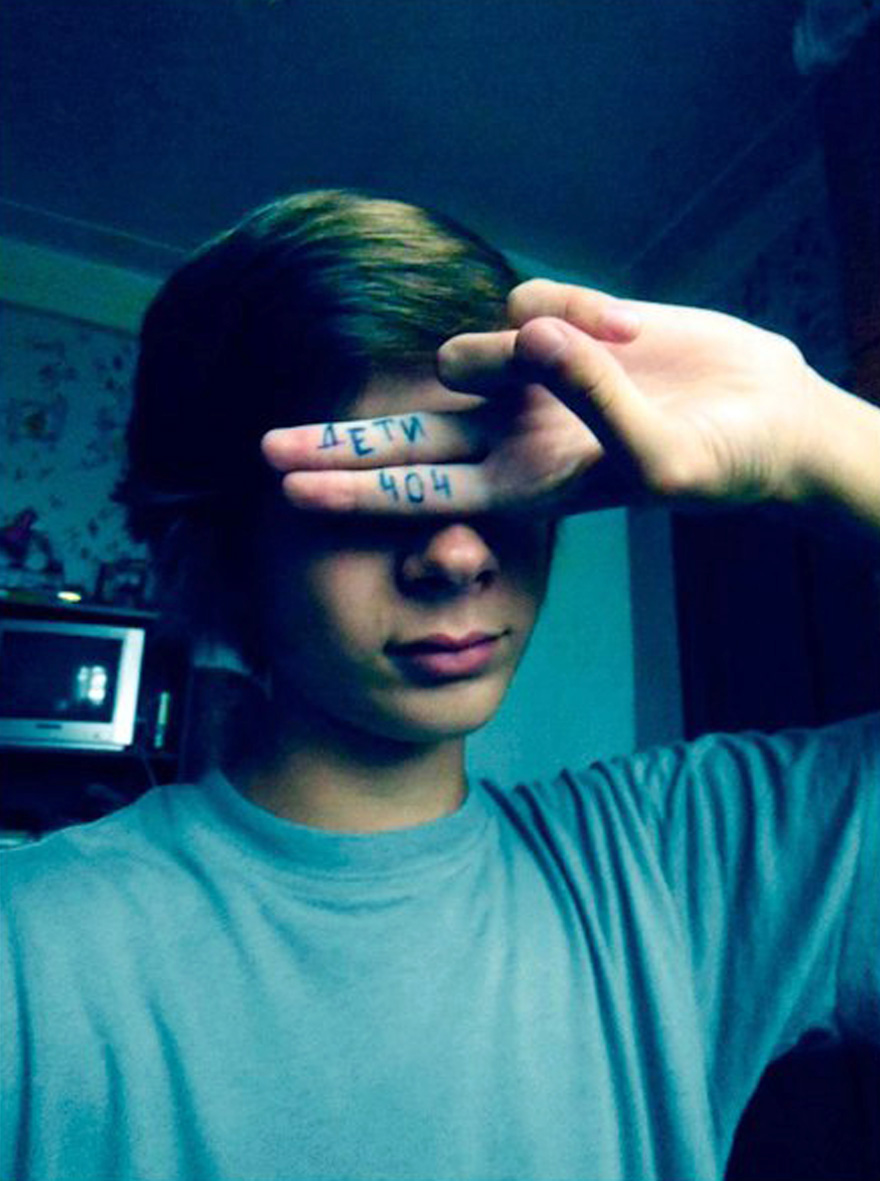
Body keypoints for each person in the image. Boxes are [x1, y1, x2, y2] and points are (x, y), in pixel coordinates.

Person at [1, 189, 878, 1181]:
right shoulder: (27, 949)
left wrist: (815, 433)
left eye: (488, 471)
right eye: (381, 492)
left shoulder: (689, 862)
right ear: (224, 542)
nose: (458, 554)